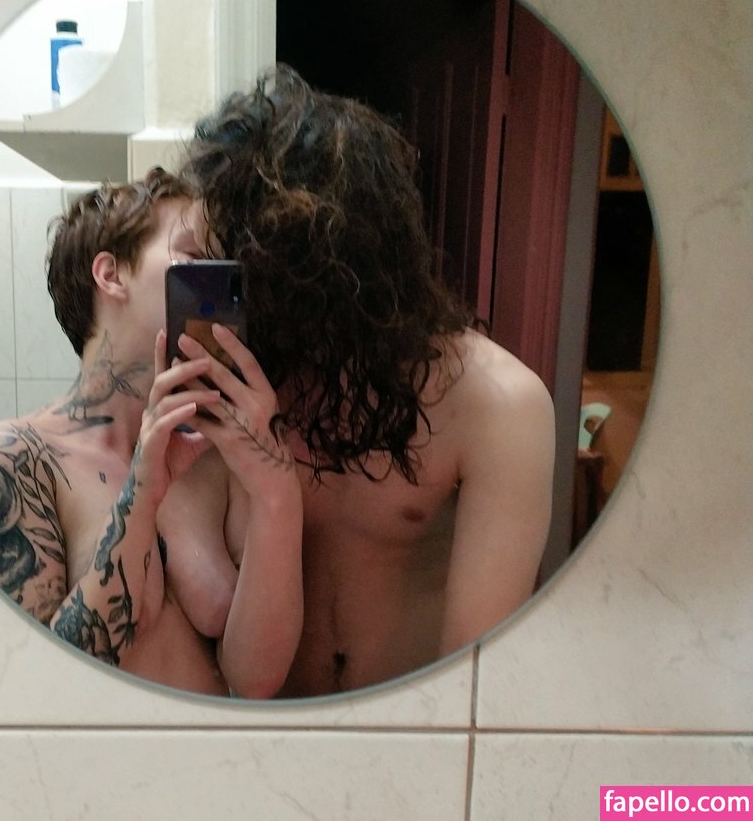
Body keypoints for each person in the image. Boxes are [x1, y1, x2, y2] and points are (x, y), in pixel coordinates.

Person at [178, 65, 556, 696]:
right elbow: (231, 658)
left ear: (308, 270)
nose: (219, 293)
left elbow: (475, 678)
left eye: (232, 268)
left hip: (416, 733)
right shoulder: (236, 388)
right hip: (268, 724)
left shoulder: (499, 404)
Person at [0, 168, 303, 698]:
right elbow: (35, 690)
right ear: (111, 275)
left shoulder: (220, 457)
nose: (220, 281)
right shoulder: (14, 460)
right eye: (195, 256)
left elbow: (254, 682)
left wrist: (277, 492)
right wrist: (143, 493)